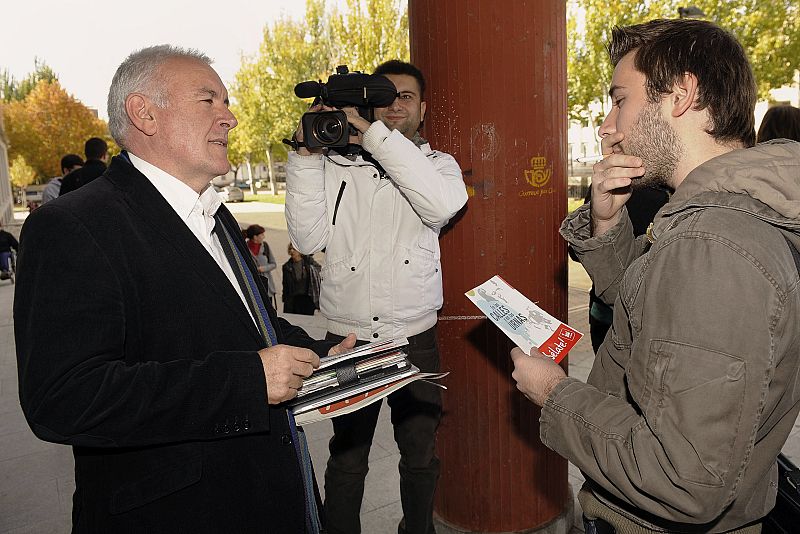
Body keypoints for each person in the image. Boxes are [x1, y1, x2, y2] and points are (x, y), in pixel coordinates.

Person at [14, 45, 355, 533]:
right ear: (144, 113)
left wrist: (329, 353)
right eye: (209, 101)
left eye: (226, 102)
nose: (230, 118)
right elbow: (64, 398)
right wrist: (246, 381)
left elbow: (248, 324)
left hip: (270, 494)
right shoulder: (73, 226)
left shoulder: (215, 213)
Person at [510, 19, 800, 532]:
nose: (606, 124)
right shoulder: (714, 218)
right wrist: (606, 224)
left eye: (620, 99)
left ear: (682, 95)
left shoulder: (712, 244)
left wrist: (554, 393)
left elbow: (684, 478)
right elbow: (657, 329)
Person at [285, 59, 468, 534]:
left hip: (415, 338)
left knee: (420, 456)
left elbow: (442, 206)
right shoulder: (333, 166)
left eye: (405, 97)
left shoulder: (438, 166)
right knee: (347, 460)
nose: (394, 106)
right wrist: (305, 159)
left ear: (423, 109)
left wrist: (375, 137)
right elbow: (306, 240)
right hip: (349, 339)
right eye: (383, 98)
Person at [579, 186, 668, 353]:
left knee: (605, 374)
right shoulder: (670, 195)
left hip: (605, 313)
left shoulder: (604, 186)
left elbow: (579, 252)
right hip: (652, 318)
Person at [281, 243, 321, 316]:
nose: (292, 251)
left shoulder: (309, 263)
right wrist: (285, 300)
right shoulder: (286, 267)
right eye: (290, 249)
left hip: (307, 299)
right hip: (293, 300)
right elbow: (285, 285)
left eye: (294, 249)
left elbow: (319, 271)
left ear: (300, 251)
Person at [245, 223, 278, 308]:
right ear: (255, 237)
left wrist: (263, 268)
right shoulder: (245, 247)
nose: (263, 237)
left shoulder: (265, 246)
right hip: (252, 286)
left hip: (267, 286)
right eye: (262, 234)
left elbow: (273, 264)